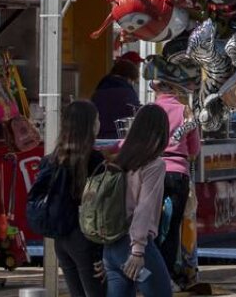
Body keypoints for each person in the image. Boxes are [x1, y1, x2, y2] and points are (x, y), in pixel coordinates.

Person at [105, 104, 172, 297]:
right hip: (134, 247)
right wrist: (138, 251)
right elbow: (144, 208)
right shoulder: (154, 164)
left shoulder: (119, 160)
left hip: (111, 247)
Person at [49, 100, 106, 297]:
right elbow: (102, 205)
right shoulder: (95, 160)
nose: (100, 123)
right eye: (97, 119)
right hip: (86, 237)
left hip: (61, 237)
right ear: (89, 125)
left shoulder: (55, 158)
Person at [153, 81, 202, 281]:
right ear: (174, 89)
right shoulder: (184, 111)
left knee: (150, 225)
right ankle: (170, 274)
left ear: (156, 91)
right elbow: (194, 149)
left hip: (151, 173)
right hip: (177, 174)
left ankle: (151, 273)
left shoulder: (149, 110)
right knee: (173, 226)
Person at [92, 53, 143, 131]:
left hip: (99, 136)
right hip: (118, 136)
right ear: (129, 78)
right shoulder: (127, 93)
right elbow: (135, 113)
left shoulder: (99, 89)